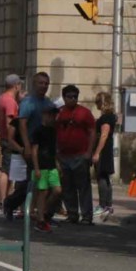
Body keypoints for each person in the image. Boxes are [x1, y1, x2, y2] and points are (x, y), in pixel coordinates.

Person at [56, 84, 95, 224]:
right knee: (67, 187)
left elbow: (92, 132)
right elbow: (55, 132)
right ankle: (72, 214)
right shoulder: (59, 112)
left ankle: (86, 216)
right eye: (69, 97)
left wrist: (89, 152)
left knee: (83, 187)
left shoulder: (84, 113)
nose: (72, 99)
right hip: (64, 156)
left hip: (80, 155)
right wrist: (57, 153)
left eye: (75, 97)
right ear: (64, 97)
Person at [31, 104, 62, 232]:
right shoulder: (38, 130)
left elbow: (53, 150)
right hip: (41, 165)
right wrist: (36, 168)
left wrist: (58, 164)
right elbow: (34, 150)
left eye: (54, 115)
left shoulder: (53, 131)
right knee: (42, 192)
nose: (53, 118)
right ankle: (40, 219)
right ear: (44, 115)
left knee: (57, 190)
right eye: (51, 115)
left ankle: (43, 211)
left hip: (51, 165)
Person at [0, 74, 22, 207]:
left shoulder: (2, 98)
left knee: (8, 170)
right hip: (9, 139)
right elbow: (9, 123)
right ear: (16, 85)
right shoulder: (10, 102)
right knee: (6, 171)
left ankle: (5, 199)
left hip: (4, 138)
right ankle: (2, 200)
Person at [92, 91, 117, 221]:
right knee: (106, 177)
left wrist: (97, 152)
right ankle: (108, 205)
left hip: (104, 150)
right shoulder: (110, 116)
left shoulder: (106, 117)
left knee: (101, 176)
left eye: (97, 102)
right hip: (106, 149)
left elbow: (104, 134)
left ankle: (103, 205)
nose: (96, 105)